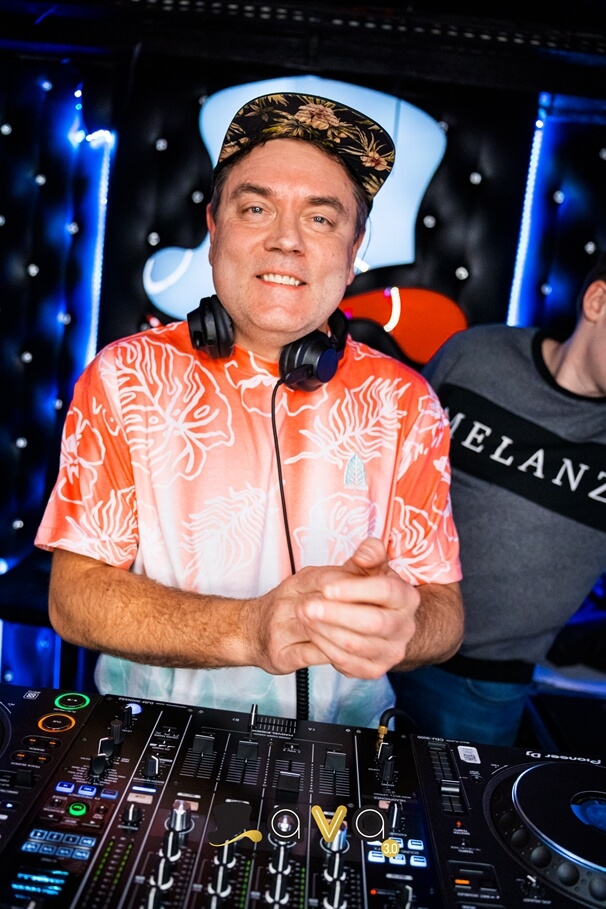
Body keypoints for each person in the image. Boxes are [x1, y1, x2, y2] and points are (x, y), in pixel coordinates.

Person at [35, 92, 463, 727]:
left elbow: (444, 613)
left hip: (338, 749)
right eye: (256, 208)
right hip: (149, 738)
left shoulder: (407, 402)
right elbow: (73, 599)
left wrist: (407, 624)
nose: (286, 240)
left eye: (321, 219)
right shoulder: (123, 377)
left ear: (354, 251)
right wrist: (249, 629)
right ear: (214, 229)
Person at [390, 252, 606, 745]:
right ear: (597, 302)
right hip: (375, 635)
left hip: (481, 684)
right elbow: (390, 464)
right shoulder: (478, 356)